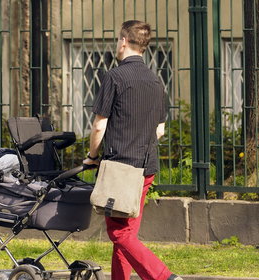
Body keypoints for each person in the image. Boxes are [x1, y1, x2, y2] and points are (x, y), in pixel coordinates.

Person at [83, 20, 182, 280]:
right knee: (127, 235)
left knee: (119, 233)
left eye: (118, 39)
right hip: (145, 169)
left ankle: (164, 277)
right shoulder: (155, 82)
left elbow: (99, 126)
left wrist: (92, 157)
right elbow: (159, 130)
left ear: (124, 41)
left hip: (120, 168)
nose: (117, 43)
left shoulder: (114, 76)